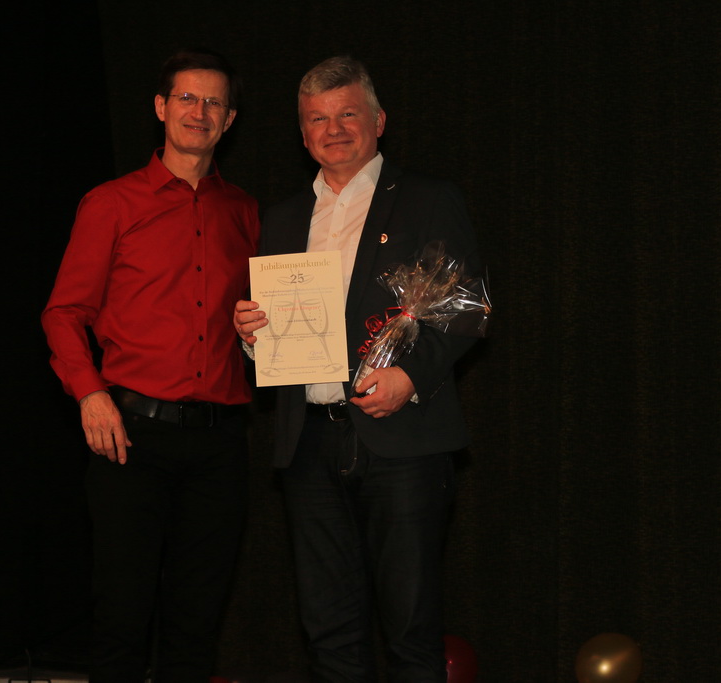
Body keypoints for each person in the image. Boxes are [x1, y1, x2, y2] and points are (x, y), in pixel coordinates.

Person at [233, 56, 482, 683]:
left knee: (412, 632)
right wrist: (252, 336)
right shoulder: (284, 218)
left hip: (402, 442)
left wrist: (411, 377)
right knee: (329, 635)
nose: (334, 129)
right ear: (303, 134)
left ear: (379, 121)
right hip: (309, 443)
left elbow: (466, 308)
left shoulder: (427, 199)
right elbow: (277, 330)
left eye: (348, 113)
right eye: (318, 119)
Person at [42, 48, 259, 683]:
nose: (200, 111)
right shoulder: (111, 203)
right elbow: (64, 312)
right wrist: (90, 394)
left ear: (229, 119)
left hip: (220, 445)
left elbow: (254, 320)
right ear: (161, 108)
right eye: (187, 98)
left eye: (214, 102)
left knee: (197, 625)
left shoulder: (245, 212)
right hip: (131, 439)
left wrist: (258, 333)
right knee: (122, 618)